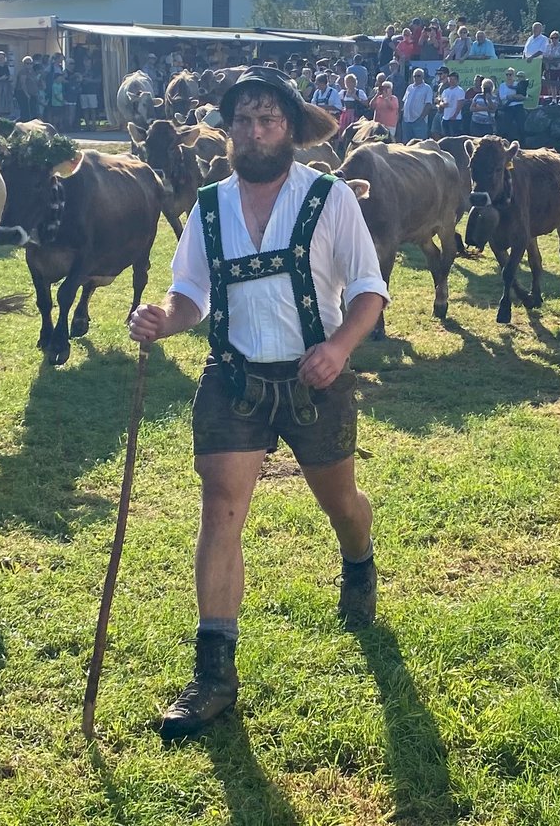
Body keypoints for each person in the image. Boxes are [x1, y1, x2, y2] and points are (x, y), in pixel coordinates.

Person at [126, 67, 388, 739]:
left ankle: (358, 557)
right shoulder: (209, 207)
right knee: (220, 507)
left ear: (293, 130)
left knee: (342, 502)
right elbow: (190, 295)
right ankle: (214, 672)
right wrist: (162, 316)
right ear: (229, 128)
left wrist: (339, 348)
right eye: (243, 117)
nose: (254, 129)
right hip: (234, 378)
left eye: (268, 117)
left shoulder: (331, 199)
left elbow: (368, 291)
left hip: (316, 380)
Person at [398, 68, 433, 142]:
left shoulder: (427, 88)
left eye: (418, 76)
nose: (416, 78)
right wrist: (401, 115)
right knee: (406, 144)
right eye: (414, 76)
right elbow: (404, 101)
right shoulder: (409, 87)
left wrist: (421, 118)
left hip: (419, 121)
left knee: (420, 144)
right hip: (406, 121)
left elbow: (428, 104)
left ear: (423, 76)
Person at [438, 70, 468, 137]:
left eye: (453, 79)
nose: (452, 81)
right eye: (450, 79)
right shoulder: (445, 91)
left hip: (455, 119)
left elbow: (460, 104)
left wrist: (454, 115)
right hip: (445, 118)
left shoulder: (459, 90)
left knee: (454, 138)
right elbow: (441, 102)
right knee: (446, 137)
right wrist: (443, 104)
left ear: (457, 80)